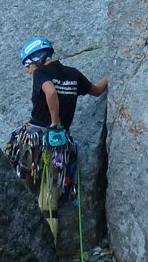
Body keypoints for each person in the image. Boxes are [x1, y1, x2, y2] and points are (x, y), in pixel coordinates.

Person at [6, 37, 108, 240]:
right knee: (50, 195)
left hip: (36, 138)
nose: (28, 70)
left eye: (28, 64)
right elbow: (97, 90)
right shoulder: (73, 74)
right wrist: (115, 72)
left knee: (20, 173)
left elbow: (50, 92)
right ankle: (50, 245)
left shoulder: (41, 73)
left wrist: (54, 120)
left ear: (38, 59)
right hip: (59, 144)